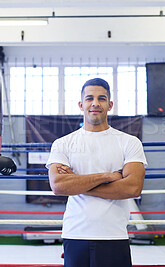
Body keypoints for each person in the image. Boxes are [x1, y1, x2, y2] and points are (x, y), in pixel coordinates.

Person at [46, 78, 147, 267]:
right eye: (89, 98)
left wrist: (75, 183)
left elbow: (133, 188)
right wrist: (106, 177)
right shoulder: (63, 144)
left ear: (110, 105)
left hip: (114, 234)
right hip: (75, 234)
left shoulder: (129, 142)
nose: (95, 103)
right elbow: (59, 186)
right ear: (81, 104)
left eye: (101, 99)